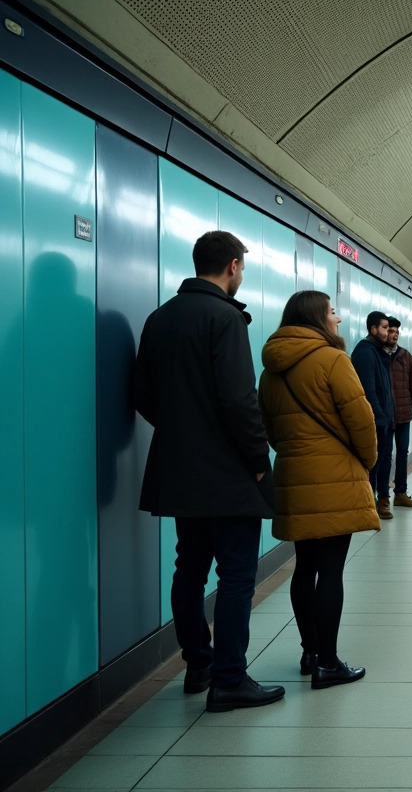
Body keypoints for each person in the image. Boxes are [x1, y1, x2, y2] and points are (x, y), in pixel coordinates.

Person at [132, 230, 284, 712]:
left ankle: (198, 664)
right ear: (234, 266)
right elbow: (240, 401)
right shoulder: (225, 318)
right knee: (238, 574)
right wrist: (260, 462)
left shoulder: (160, 318)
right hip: (228, 473)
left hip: (179, 471)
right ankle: (230, 679)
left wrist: (182, 431)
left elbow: (142, 396)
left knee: (189, 569)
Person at [258, 291, 378, 690]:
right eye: (331, 311)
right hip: (334, 477)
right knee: (331, 571)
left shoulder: (270, 369)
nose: (338, 319)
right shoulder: (333, 359)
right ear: (315, 317)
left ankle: (309, 652)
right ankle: (328, 663)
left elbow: (270, 430)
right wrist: (368, 460)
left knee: (304, 567)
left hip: (293, 477)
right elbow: (361, 419)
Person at [350, 311, 394, 518]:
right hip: (375, 422)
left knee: (381, 464)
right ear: (373, 329)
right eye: (384, 328)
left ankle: (375, 503)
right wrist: (380, 418)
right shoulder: (366, 352)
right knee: (372, 467)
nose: (388, 332)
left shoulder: (378, 352)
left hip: (383, 419)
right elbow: (368, 390)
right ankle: (366, 507)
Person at [384, 318, 412, 508]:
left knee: (402, 452)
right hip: (383, 415)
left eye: (397, 332)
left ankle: (400, 492)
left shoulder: (405, 356)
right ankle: (381, 495)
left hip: (403, 415)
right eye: (391, 331)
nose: (394, 335)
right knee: (383, 454)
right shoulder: (377, 355)